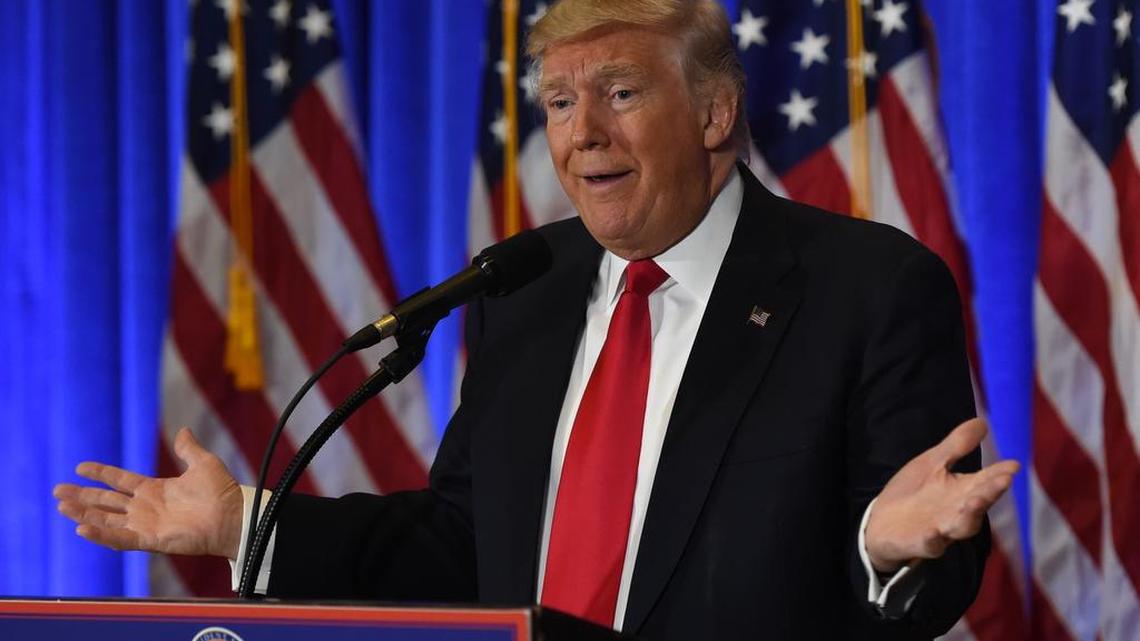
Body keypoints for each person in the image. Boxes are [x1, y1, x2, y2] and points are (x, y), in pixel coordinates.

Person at [54, 1, 1020, 639]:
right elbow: (464, 545)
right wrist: (245, 527)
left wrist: (878, 547)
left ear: (717, 111)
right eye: (559, 101)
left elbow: (931, 563)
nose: (581, 132)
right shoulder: (526, 288)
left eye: (621, 93)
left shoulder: (870, 286)